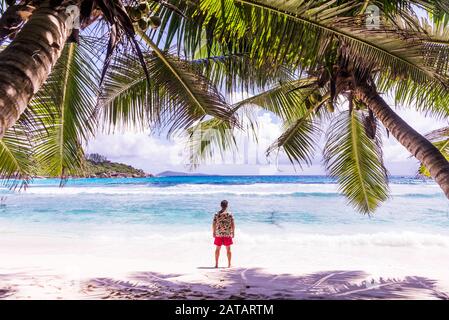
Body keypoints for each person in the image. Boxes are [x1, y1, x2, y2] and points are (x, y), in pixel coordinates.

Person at [212, 200, 235, 268]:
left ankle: (216, 264)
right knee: (228, 250)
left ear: (220, 205)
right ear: (227, 205)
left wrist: (214, 232)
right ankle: (229, 264)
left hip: (219, 233)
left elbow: (214, 224)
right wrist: (233, 232)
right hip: (227, 234)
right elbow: (233, 224)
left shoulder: (217, 214)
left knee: (217, 249)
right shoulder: (229, 214)